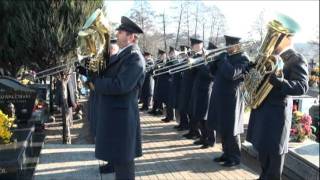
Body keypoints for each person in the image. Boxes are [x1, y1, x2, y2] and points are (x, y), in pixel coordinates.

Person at [246, 15, 309, 180]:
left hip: (276, 114)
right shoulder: (269, 56)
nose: (272, 38)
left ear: (287, 38)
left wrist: (281, 83)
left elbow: (302, 86)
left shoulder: (296, 58)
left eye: (276, 35)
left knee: (274, 156)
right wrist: (252, 72)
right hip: (262, 110)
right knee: (262, 150)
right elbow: (257, 81)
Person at [92, 16, 145, 180]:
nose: (117, 34)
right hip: (115, 115)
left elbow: (120, 85)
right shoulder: (123, 54)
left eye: (121, 32)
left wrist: (96, 83)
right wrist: (91, 66)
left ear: (131, 37)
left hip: (122, 118)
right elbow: (106, 70)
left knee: (124, 165)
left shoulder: (135, 58)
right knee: (119, 159)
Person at [207, 35, 250, 167]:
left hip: (233, 99)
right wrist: (212, 62)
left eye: (230, 45)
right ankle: (226, 153)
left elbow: (231, 74)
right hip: (220, 97)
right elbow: (212, 73)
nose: (228, 47)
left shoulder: (243, 58)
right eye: (227, 44)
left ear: (237, 45)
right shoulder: (226, 57)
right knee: (222, 127)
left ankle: (235, 157)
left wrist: (223, 59)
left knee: (231, 129)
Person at [191, 42, 217, 149]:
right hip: (199, 90)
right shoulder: (204, 61)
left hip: (207, 91)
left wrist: (201, 64)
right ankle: (203, 137)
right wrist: (193, 65)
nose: (206, 54)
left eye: (208, 52)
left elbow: (210, 74)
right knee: (200, 115)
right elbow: (194, 74)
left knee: (206, 117)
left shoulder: (214, 62)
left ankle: (210, 140)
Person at [181, 37, 203, 139]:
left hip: (195, 86)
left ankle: (196, 132)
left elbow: (197, 71)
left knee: (194, 111)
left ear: (200, 45)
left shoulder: (202, 56)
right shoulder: (192, 55)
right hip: (189, 86)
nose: (192, 47)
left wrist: (192, 62)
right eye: (192, 45)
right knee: (190, 110)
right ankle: (192, 130)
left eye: (194, 45)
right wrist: (187, 59)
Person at [148, 49, 166, 116]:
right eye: (159, 55)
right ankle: (154, 109)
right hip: (156, 79)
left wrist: (158, 67)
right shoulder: (158, 61)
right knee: (156, 96)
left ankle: (160, 110)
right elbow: (154, 70)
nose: (160, 56)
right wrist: (154, 68)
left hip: (162, 81)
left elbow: (164, 71)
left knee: (159, 96)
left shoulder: (164, 62)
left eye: (161, 55)